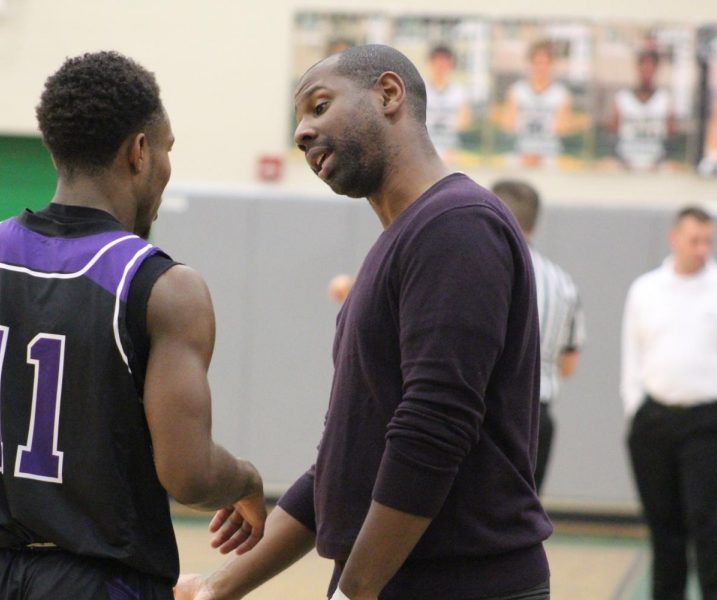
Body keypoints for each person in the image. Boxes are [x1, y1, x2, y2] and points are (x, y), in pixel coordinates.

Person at [0, 51, 266, 599]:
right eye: (168, 150)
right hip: (104, 583)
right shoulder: (164, 288)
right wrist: (246, 479)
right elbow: (189, 476)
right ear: (140, 151)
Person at [177, 44, 551, 600]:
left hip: (462, 583)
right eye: (299, 120)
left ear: (389, 93)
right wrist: (219, 586)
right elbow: (347, 456)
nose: (302, 132)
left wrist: (353, 592)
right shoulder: (406, 238)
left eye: (319, 106)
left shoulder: (456, 227)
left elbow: (434, 424)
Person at [621, 206, 717, 600]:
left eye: (708, 241)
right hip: (655, 419)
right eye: (694, 240)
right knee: (663, 527)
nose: (702, 248)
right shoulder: (646, 289)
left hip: (707, 419)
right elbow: (632, 354)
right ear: (675, 239)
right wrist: (635, 406)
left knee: (702, 517)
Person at [492, 180, 586, 494]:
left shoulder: (484, 265)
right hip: (538, 416)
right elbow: (569, 364)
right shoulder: (562, 282)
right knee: (521, 519)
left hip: (488, 413)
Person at [499, 39, 574, 168]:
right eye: (537, 63)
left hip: (550, 153)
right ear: (530, 63)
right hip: (520, 151)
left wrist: (538, 154)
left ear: (552, 64)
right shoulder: (517, 91)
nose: (541, 67)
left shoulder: (560, 94)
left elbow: (563, 128)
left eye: (545, 63)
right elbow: (508, 124)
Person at [609, 48, 675, 171]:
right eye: (643, 65)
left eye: (651, 66)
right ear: (637, 67)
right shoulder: (622, 98)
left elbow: (671, 138)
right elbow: (612, 134)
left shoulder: (665, 99)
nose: (647, 70)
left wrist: (659, 161)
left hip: (656, 163)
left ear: (656, 69)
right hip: (625, 161)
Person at [424, 44, 471, 161]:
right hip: (425, 146)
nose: (440, 65)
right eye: (437, 60)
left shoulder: (459, 92)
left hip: (452, 148)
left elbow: (465, 123)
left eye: (444, 61)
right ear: (430, 63)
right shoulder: (421, 89)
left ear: (451, 64)